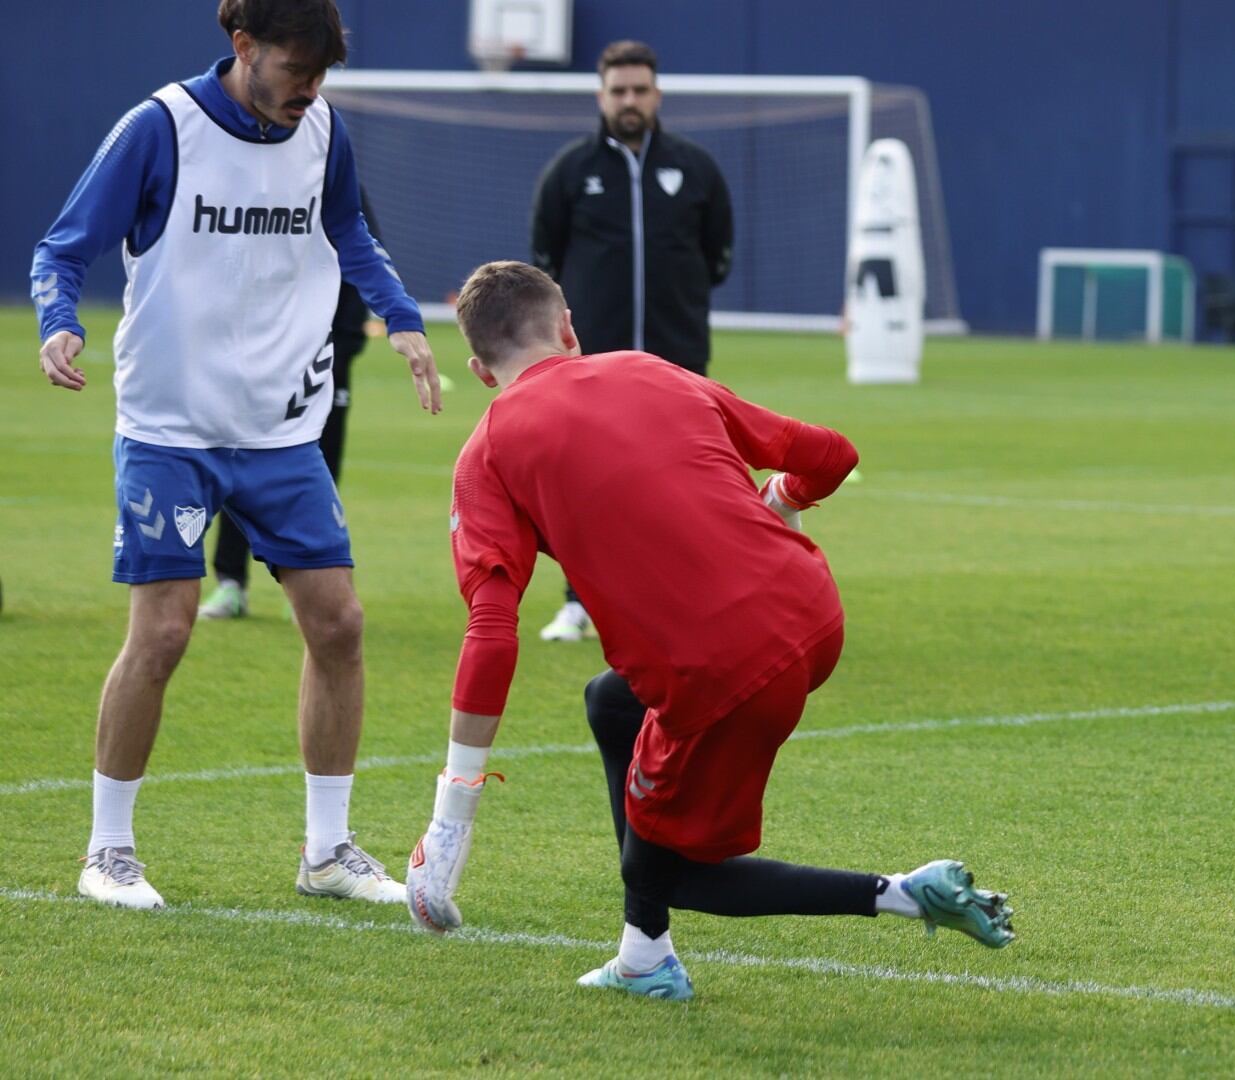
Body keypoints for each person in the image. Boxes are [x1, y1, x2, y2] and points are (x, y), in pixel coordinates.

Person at [401, 262, 1009, 999]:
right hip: (812, 611)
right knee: (613, 701)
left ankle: (905, 892)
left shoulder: (488, 451)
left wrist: (451, 820)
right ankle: (643, 958)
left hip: (723, 668)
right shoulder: (650, 370)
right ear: (567, 329)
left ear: (480, 370)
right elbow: (831, 455)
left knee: (669, 874)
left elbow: (493, 631)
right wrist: (779, 496)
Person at [30, 0, 442, 910]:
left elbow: (350, 234)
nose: (312, 91)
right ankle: (108, 851)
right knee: (166, 631)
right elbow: (61, 249)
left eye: (323, 74)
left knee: (338, 624)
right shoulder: (158, 127)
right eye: (298, 70)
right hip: (169, 429)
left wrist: (404, 320)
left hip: (281, 431)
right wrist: (60, 325)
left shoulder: (322, 128)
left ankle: (328, 851)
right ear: (244, 47)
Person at [529, 39, 735, 643]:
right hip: (592, 365)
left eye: (640, 89)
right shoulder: (570, 172)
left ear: (657, 94)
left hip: (679, 359)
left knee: (685, 480)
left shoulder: (696, 169)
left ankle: (685, 602)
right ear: (601, 95)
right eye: (618, 90)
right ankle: (578, 602)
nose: (629, 100)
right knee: (586, 482)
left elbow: (717, 255)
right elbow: (547, 259)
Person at [199, 186, 383, 620]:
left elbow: (363, 252)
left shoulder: (336, 176)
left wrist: (347, 340)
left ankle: (305, 582)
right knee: (238, 458)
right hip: (254, 353)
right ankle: (231, 583)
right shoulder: (251, 182)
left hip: (325, 352)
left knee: (320, 465)